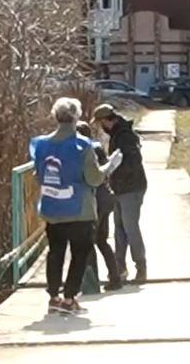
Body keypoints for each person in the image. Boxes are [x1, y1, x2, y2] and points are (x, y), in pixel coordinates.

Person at [31, 98, 118, 314]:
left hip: (52, 208)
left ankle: (54, 297)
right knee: (80, 254)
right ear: (76, 117)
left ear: (55, 116)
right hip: (80, 209)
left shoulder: (41, 144)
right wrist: (109, 166)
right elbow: (94, 178)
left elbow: (38, 175)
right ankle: (69, 299)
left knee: (55, 252)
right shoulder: (83, 146)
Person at [93, 103, 148, 283]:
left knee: (130, 228)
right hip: (119, 188)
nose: (101, 127)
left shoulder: (124, 136)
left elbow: (133, 160)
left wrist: (114, 167)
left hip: (131, 187)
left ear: (106, 121)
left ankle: (140, 267)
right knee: (119, 229)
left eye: (100, 123)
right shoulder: (118, 134)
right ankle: (120, 268)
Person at [79, 120, 126, 291]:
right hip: (106, 198)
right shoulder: (97, 147)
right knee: (101, 240)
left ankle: (89, 283)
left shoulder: (83, 150)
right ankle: (115, 278)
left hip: (95, 201)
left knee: (87, 241)